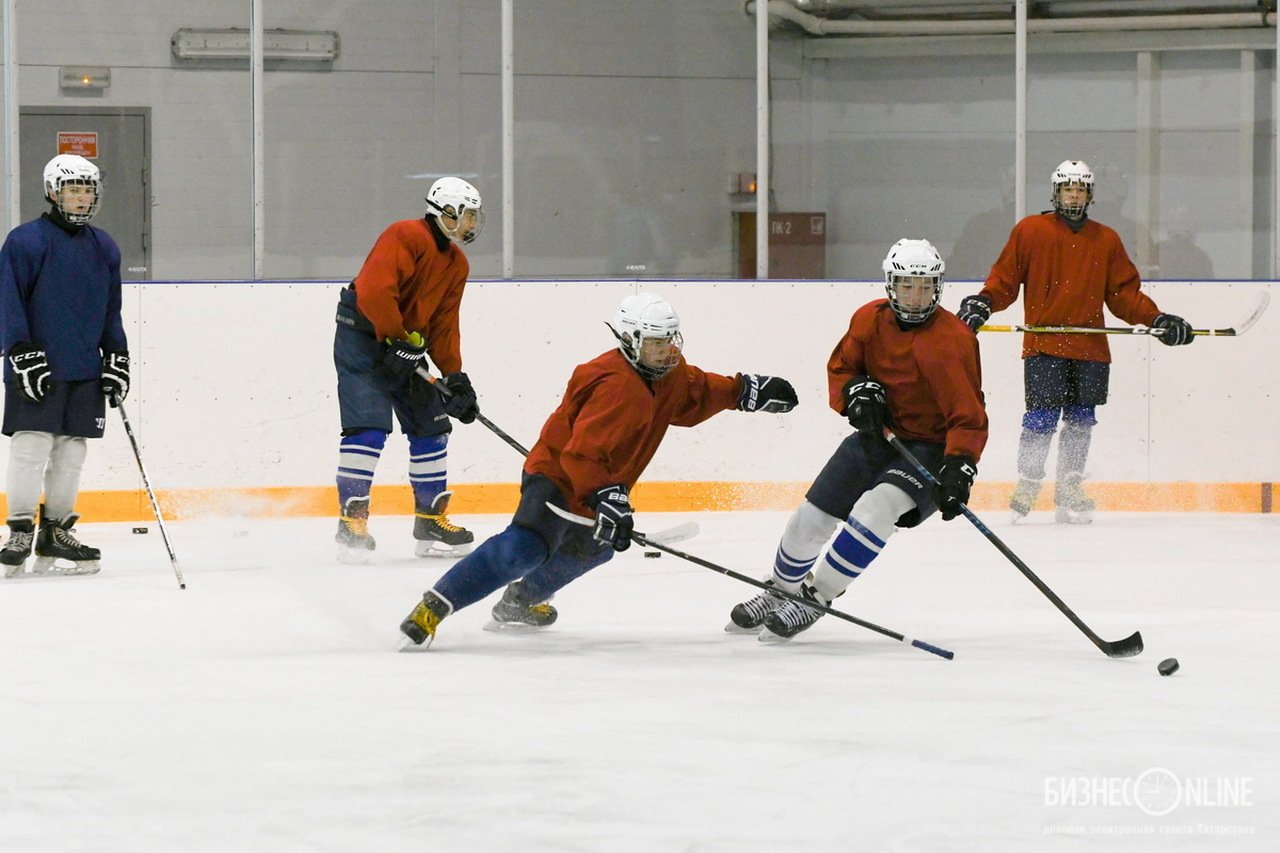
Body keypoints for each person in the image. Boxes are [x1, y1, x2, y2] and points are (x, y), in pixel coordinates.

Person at [399, 292, 799, 646]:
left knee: (594, 548)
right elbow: (581, 455)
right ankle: (435, 605)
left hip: (599, 484)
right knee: (525, 549)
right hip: (558, 476)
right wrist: (608, 496)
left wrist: (745, 392)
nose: (667, 351)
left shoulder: (669, 375)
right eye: (656, 343)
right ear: (630, 340)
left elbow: (698, 392)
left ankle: (519, 602)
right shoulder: (614, 385)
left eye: (670, 340)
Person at [727, 238, 987, 642]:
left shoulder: (953, 340)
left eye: (924, 287)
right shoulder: (868, 320)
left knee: (875, 509)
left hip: (931, 449)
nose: (915, 297)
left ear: (937, 287)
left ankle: (817, 597)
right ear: (890, 285)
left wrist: (959, 465)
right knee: (810, 518)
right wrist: (855, 395)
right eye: (906, 286)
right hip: (877, 437)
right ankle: (780, 590)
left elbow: (969, 417)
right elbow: (842, 368)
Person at [955, 160, 1195, 524]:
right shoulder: (1031, 231)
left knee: (1082, 421)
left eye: (1080, 189)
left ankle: (1069, 485)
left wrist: (1156, 319)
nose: (1074, 195)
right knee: (1041, 418)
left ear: (1090, 195)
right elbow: (1004, 280)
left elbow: (1124, 295)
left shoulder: (1106, 240)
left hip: (1090, 348)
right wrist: (983, 303)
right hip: (1044, 346)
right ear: (1056, 193)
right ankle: (1029, 480)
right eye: (1068, 189)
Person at [333, 176, 484, 563]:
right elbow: (374, 291)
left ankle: (429, 519)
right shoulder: (405, 235)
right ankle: (352, 522)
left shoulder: (456, 263)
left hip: (405, 344)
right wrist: (395, 340)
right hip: (364, 334)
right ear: (446, 211)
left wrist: (454, 376)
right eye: (467, 216)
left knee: (432, 425)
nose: (471, 224)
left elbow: (444, 323)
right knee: (368, 425)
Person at [0, 154, 129, 578]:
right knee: (32, 444)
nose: (81, 197)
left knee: (72, 451)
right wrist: (19, 351)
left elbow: (111, 312)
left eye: (88, 189)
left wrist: (117, 355)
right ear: (52, 192)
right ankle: (19, 529)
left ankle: (55, 530)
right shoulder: (25, 242)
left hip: (83, 368)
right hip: (36, 364)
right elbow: (9, 302)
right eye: (73, 188)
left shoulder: (104, 246)